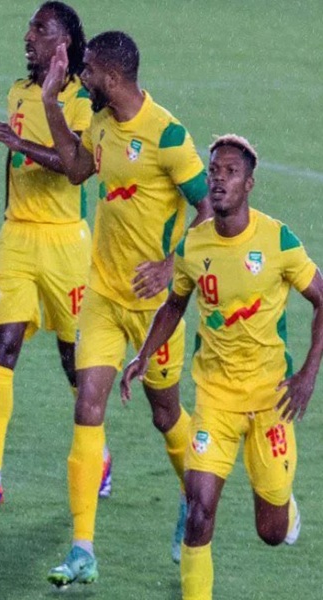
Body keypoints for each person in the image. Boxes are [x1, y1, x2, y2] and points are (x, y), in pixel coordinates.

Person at [41, 30, 213, 584]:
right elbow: (75, 169)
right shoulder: (101, 122)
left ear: (112, 78)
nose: (83, 77)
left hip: (155, 308)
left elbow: (208, 212)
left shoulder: (168, 135)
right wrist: (49, 103)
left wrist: (171, 264)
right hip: (104, 297)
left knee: (166, 414)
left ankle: (192, 493)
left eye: (89, 71)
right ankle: (82, 550)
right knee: (87, 405)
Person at [121, 135, 319, 600]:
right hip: (215, 398)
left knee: (271, 532)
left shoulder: (277, 240)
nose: (218, 179)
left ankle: (284, 506)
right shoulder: (194, 245)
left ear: (249, 184)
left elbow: (322, 299)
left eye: (230, 172)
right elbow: (175, 303)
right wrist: (143, 354)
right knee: (199, 511)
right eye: (213, 171)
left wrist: (308, 375)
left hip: (271, 397)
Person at [0, 1, 114, 506]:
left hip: (66, 243)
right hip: (17, 239)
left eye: (39, 29)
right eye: (29, 28)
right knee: (2, 346)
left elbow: (77, 168)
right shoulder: (18, 92)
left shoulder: (84, 100)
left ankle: (99, 454)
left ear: (63, 43)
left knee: (74, 359)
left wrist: (19, 144)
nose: (28, 36)